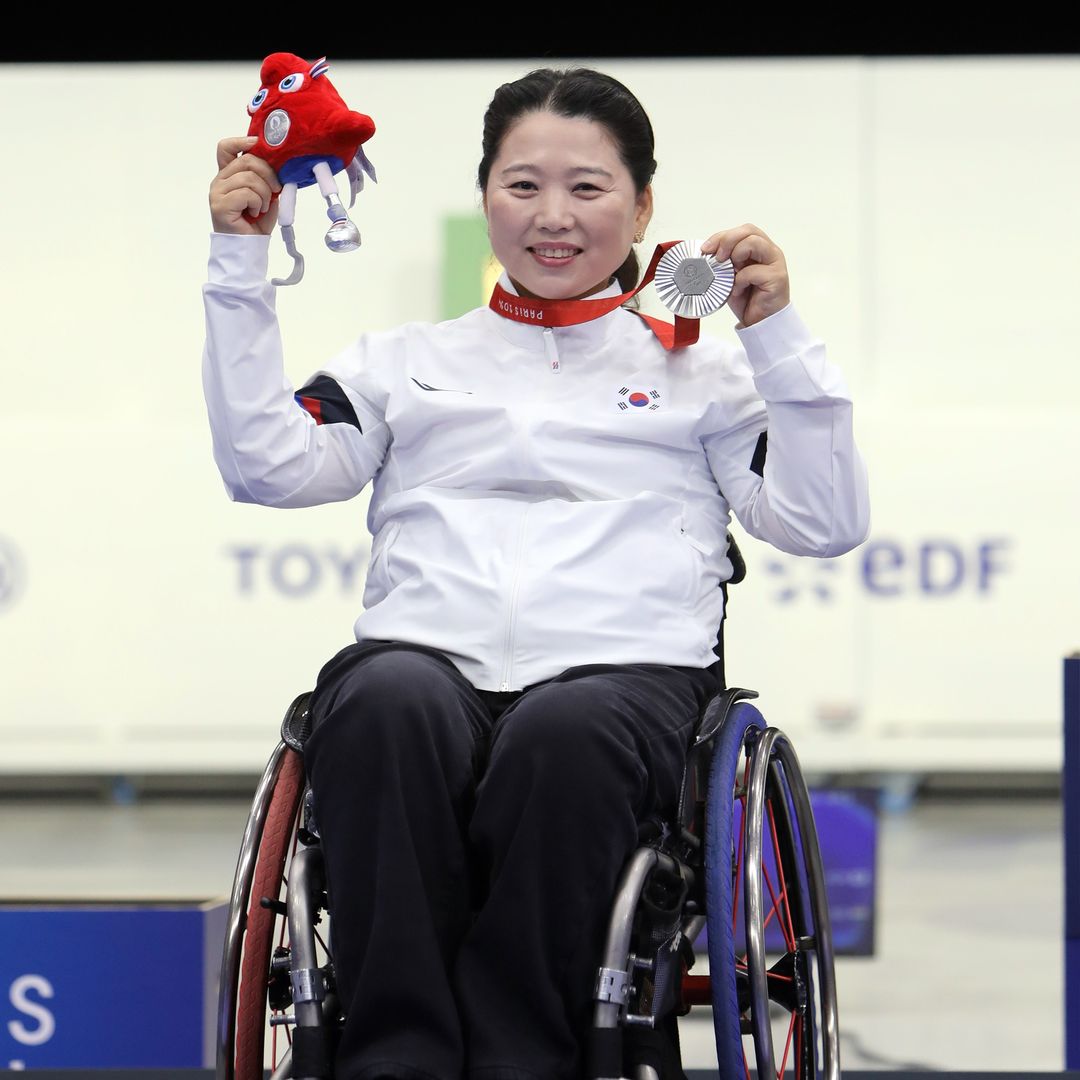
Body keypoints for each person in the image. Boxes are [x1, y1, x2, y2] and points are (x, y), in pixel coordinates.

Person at [203, 66, 870, 1080]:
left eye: (588, 188)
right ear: (484, 198)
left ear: (643, 204)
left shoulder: (706, 375)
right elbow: (265, 467)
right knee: (381, 699)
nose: (552, 217)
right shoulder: (402, 362)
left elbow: (823, 521)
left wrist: (773, 334)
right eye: (522, 186)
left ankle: (530, 1059)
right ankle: (398, 1060)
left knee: (564, 732)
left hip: (624, 683)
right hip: (425, 665)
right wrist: (238, 261)